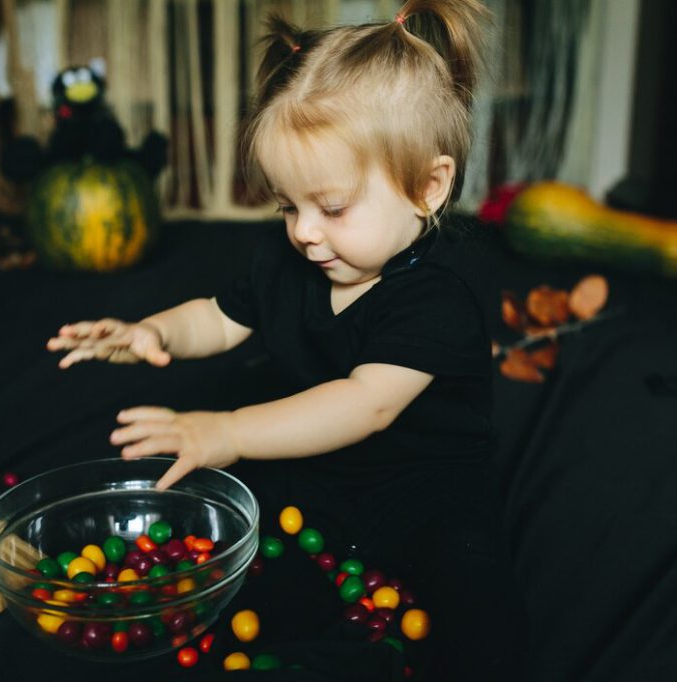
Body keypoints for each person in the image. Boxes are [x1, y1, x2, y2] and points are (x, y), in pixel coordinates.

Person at [47, 1, 527, 678]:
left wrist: (231, 431)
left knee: (476, 599)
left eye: (330, 207)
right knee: (249, 545)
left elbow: (366, 404)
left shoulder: (437, 298)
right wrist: (150, 330)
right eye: (288, 205)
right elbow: (217, 317)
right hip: (319, 473)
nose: (303, 231)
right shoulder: (290, 256)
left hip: (428, 488)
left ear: (428, 187)